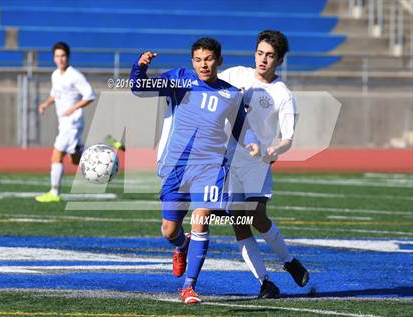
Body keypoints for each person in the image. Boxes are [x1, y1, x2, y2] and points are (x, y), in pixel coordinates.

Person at [130, 38, 259, 304]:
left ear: (219, 61)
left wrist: (252, 141)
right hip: (177, 167)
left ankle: (189, 287)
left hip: (210, 167)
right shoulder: (180, 79)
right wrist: (139, 68)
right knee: (168, 230)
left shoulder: (231, 94)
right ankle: (181, 245)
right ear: (192, 61)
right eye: (198, 59)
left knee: (202, 218)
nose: (203, 64)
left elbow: (241, 127)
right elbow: (139, 88)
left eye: (209, 59)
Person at [218, 30, 309, 298]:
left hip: (258, 162)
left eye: (270, 56)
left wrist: (273, 149)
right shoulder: (235, 75)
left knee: (256, 215)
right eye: (260, 53)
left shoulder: (282, 94)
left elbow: (289, 138)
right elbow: (208, 86)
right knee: (239, 221)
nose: (263, 59)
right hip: (228, 161)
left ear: (279, 60)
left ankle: (289, 261)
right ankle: (264, 282)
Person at [35, 42, 96, 203]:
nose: (60, 59)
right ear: (53, 58)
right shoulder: (55, 75)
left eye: (63, 56)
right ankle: (99, 154)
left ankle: (54, 193)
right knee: (75, 159)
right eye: (57, 56)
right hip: (64, 122)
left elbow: (90, 95)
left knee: (56, 155)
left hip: (72, 122)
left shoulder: (74, 75)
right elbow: (55, 94)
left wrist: (73, 108)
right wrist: (45, 104)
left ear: (67, 57)